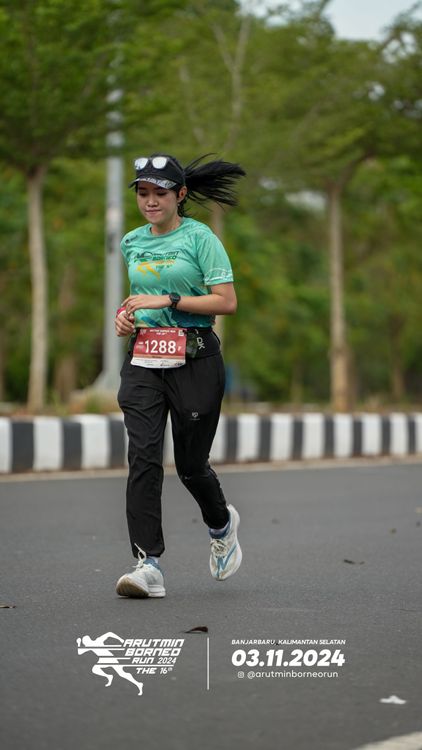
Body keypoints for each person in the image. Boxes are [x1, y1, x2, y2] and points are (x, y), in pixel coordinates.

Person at [115, 153, 246, 598]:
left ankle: (221, 525)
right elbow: (138, 298)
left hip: (195, 357)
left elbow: (225, 302)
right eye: (143, 193)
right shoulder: (132, 242)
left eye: (160, 193)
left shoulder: (200, 238)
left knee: (190, 466)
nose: (150, 201)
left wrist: (169, 300)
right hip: (144, 357)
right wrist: (125, 318)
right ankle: (147, 564)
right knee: (143, 457)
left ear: (181, 195)